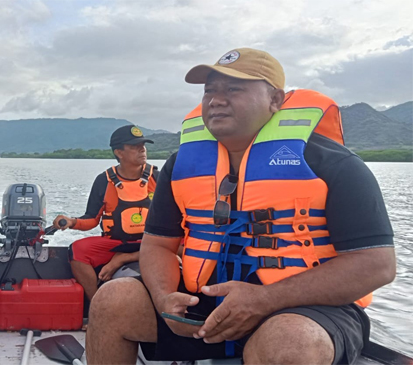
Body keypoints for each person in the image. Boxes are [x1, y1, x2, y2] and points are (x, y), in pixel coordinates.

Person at [86, 48, 397, 364]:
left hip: (307, 308)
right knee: (113, 300)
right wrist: (165, 298)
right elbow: (157, 245)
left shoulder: (332, 163)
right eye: (210, 90)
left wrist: (264, 299)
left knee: (289, 340)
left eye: (233, 89)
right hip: (208, 301)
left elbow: (376, 264)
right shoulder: (180, 166)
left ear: (275, 100)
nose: (216, 100)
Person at [54, 125, 158, 301]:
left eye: (143, 145)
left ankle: (124, 259)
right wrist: (71, 222)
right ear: (119, 152)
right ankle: (96, 305)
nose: (142, 149)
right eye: (134, 146)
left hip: (150, 243)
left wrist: (122, 259)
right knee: (77, 251)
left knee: (184, 242)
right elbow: (92, 219)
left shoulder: (157, 177)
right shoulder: (104, 181)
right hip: (115, 242)